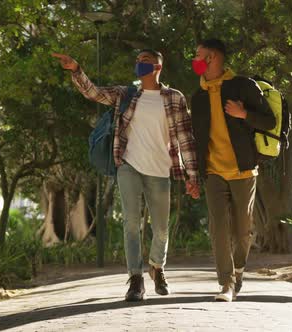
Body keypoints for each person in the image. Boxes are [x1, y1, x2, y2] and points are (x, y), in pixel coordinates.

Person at [52, 49, 200, 302]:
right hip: (129, 165)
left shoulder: (175, 98)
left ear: (158, 67)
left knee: (161, 228)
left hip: (160, 169)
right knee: (131, 223)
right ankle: (135, 279)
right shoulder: (126, 94)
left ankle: (157, 267)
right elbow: (94, 93)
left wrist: (192, 176)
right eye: (138, 61)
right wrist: (76, 70)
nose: (140, 64)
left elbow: (186, 139)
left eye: (146, 62)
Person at [189, 39, 275, 302]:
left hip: (243, 170)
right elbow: (196, 139)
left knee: (242, 230)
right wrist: (193, 176)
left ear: (213, 57)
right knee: (218, 228)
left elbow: (269, 121)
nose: (196, 60)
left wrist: (244, 114)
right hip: (213, 172)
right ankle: (225, 283)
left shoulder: (242, 86)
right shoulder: (199, 96)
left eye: (199, 55)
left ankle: (238, 271)